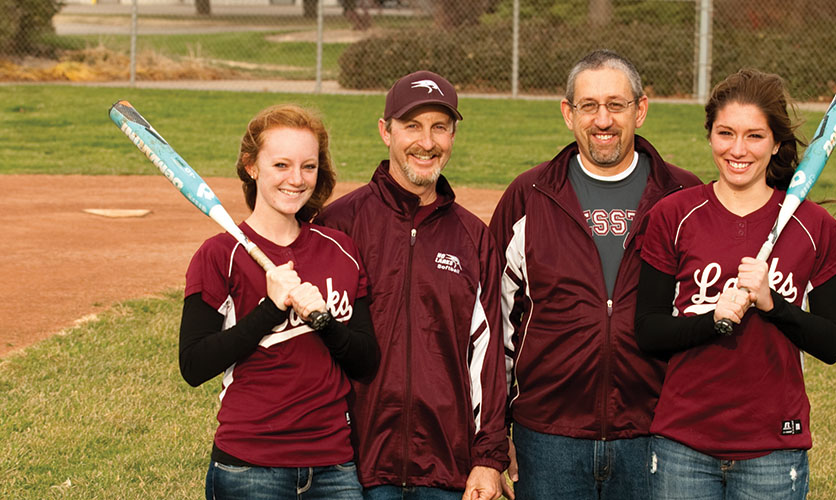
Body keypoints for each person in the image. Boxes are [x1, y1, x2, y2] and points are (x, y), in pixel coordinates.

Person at [489, 49, 701, 499]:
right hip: (548, 435)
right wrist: (492, 440)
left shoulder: (684, 197)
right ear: (569, 113)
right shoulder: (530, 196)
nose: (602, 120)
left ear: (640, 109)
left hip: (654, 431)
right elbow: (494, 323)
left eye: (616, 105)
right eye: (589, 106)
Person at [634, 68, 836, 499]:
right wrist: (713, 319)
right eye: (725, 133)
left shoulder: (814, 227)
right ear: (709, 135)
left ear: (775, 144)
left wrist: (773, 305)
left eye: (754, 136)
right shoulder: (674, 216)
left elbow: (832, 343)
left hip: (773, 446)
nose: (738, 150)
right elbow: (648, 331)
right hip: (683, 443)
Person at [314, 70, 509, 500]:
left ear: (454, 135)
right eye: (412, 126)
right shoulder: (339, 225)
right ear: (386, 131)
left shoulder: (474, 238)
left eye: (439, 127)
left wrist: (489, 459)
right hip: (350, 469)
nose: (426, 142)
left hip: (446, 469)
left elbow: (488, 357)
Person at [178, 104, 379, 499]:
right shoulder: (220, 254)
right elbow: (194, 364)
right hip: (250, 466)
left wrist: (323, 321)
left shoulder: (342, 250)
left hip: (333, 465)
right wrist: (269, 310)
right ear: (252, 167)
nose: (296, 179)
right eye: (281, 165)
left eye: (308, 166)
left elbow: (366, 362)